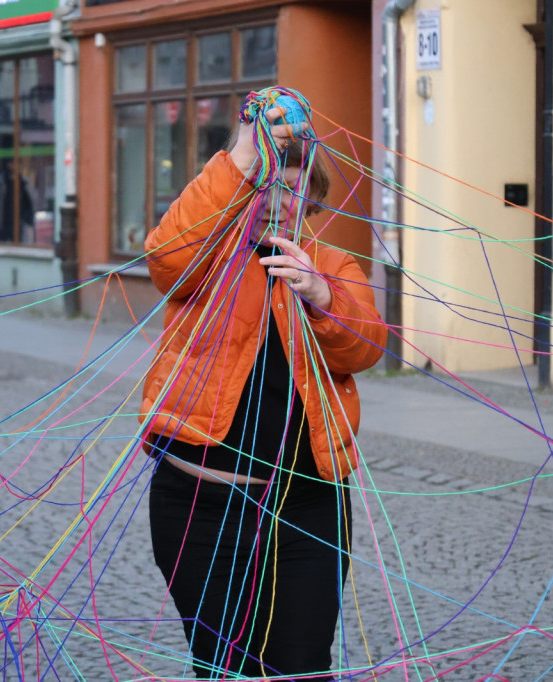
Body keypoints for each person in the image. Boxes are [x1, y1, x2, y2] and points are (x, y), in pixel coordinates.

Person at [140, 88, 386, 680]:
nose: (281, 201)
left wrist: (322, 298)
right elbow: (165, 258)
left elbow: (367, 346)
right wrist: (246, 157)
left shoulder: (331, 265)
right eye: (269, 185)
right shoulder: (208, 258)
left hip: (307, 507)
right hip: (200, 503)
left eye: (296, 187)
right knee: (224, 667)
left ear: (314, 199)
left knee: (302, 666)